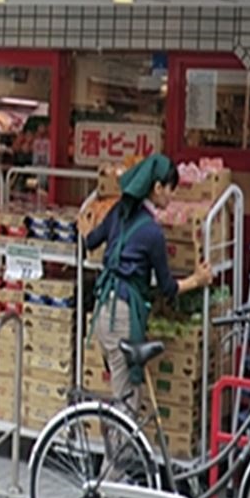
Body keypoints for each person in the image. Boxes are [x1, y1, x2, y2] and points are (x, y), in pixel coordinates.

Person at [84, 153, 214, 421]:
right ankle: (114, 451)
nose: (172, 196)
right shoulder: (153, 233)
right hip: (122, 317)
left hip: (103, 309)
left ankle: (118, 444)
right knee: (126, 404)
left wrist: (86, 220)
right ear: (157, 188)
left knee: (125, 394)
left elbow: (90, 240)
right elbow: (167, 287)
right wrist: (197, 279)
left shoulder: (118, 211)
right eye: (171, 190)